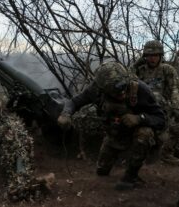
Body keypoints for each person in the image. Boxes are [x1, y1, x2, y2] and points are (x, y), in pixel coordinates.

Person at [57, 61, 165, 190]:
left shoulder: (140, 89)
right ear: (103, 89)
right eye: (116, 92)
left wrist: (139, 118)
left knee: (145, 134)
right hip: (114, 134)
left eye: (123, 89)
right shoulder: (96, 90)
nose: (122, 94)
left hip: (137, 133)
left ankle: (131, 176)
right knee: (101, 171)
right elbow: (74, 102)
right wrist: (65, 114)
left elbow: (160, 119)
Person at [133, 40, 179, 164]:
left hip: (163, 107)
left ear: (160, 56)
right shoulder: (139, 70)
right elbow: (127, 79)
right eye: (149, 55)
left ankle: (167, 154)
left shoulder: (167, 69)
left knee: (177, 125)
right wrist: (135, 66)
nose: (152, 58)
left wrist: (176, 107)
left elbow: (175, 89)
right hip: (143, 107)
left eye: (155, 55)